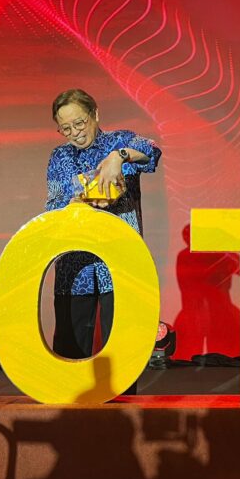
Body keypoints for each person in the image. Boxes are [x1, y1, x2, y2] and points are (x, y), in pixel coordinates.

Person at [46, 88, 161, 366]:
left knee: (123, 355)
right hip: (75, 269)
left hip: (120, 265)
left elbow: (152, 152)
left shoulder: (120, 141)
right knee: (70, 355)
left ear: (95, 114)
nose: (75, 133)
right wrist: (74, 204)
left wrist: (118, 157)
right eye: (66, 128)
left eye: (80, 123)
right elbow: (52, 207)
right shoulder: (59, 157)